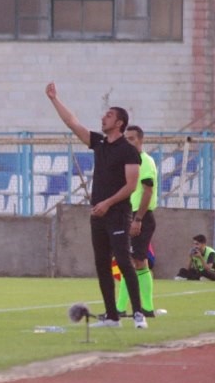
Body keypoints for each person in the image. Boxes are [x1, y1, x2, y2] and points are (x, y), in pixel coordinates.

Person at [46, 82, 147, 329]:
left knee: (123, 260)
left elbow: (131, 186)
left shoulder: (128, 151)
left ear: (119, 123)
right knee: (102, 264)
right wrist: (54, 99)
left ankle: (138, 313)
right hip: (98, 214)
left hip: (117, 214)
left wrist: (108, 203)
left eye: (109, 115)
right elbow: (72, 123)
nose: (103, 118)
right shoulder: (99, 143)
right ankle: (112, 316)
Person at [116, 125, 157, 317]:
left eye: (132, 138)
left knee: (136, 262)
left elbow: (147, 191)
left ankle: (137, 308)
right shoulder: (131, 162)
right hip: (129, 215)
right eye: (126, 138)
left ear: (141, 140)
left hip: (141, 216)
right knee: (133, 262)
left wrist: (138, 219)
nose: (128, 142)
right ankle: (129, 308)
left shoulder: (144, 161)